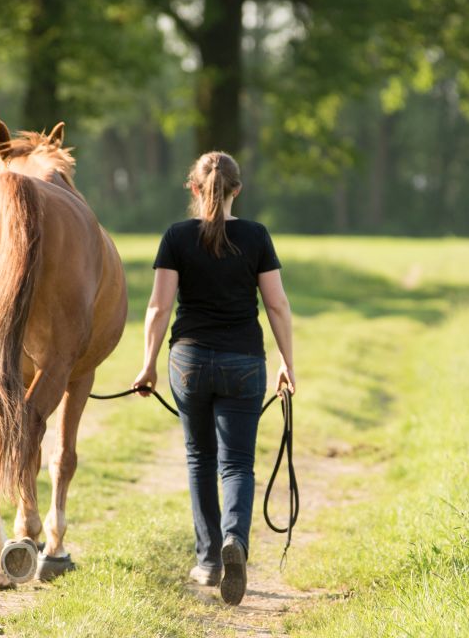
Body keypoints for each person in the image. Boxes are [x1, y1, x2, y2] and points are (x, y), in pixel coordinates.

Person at [133, 151, 295, 606]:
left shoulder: (176, 237)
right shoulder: (256, 236)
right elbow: (277, 304)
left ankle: (208, 561)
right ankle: (235, 541)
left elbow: (159, 307)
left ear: (194, 187)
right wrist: (287, 362)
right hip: (244, 360)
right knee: (237, 463)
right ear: (236, 190)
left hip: (188, 361)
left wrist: (148, 365)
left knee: (200, 458)